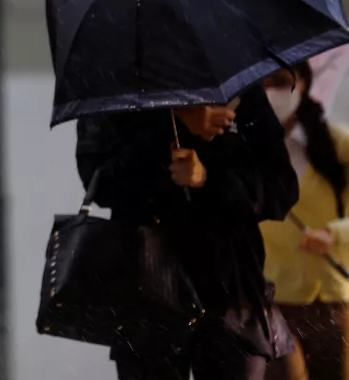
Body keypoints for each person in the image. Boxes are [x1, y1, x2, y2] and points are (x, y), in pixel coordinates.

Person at [75, 85, 299, 380]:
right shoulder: (117, 90)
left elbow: (281, 188)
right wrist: (174, 123)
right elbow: (99, 182)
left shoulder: (236, 87)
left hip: (230, 289)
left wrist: (209, 178)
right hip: (147, 288)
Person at [262, 62, 349, 380]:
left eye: (282, 81)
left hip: (329, 298)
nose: (272, 91)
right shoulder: (245, 150)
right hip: (271, 302)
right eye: (264, 83)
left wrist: (334, 234)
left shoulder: (336, 144)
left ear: (305, 82)